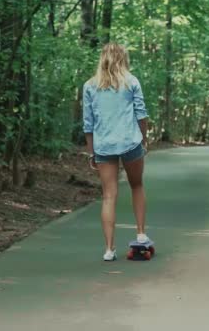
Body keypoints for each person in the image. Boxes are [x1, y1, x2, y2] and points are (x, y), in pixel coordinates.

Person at [82, 42, 151, 261]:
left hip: (104, 146)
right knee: (137, 185)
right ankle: (140, 234)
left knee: (108, 196)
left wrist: (92, 152)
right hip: (130, 143)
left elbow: (88, 123)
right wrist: (143, 140)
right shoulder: (131, 82)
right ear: (124, 59)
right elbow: (141, 115)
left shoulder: (90, 86)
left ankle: (109, 250)